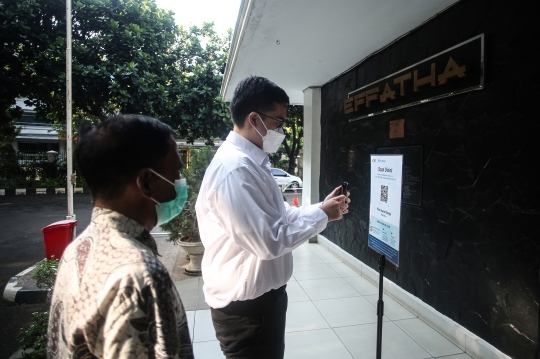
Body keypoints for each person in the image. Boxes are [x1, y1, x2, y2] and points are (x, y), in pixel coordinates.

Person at [195, 76, 350, 359]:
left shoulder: (252, 162)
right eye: (278, 123)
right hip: (246, 311)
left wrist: (321, 209)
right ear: (254, 119)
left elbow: (280, 214)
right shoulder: (235, 171)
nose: (281, 130)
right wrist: (321, 217)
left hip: (262, 302)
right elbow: (268, 242)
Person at [47, 115, 194, 359]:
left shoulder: (77, 250)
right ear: (146, 182)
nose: (179, 184)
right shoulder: (139, 274)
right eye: (176, 172)